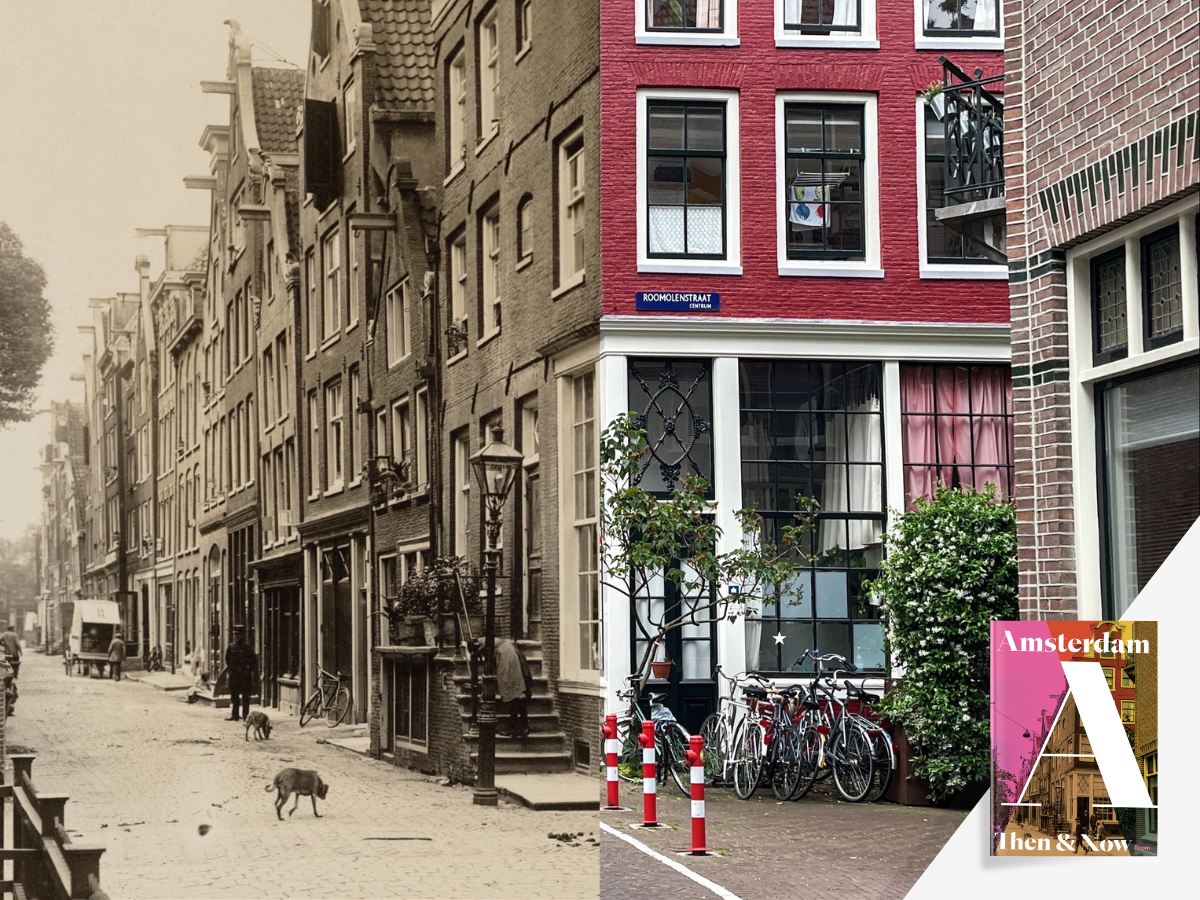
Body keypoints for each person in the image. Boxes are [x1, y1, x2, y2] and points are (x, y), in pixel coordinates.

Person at [495, 638, 533, 738]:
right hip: (523, 677)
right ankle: (523, 727)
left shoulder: (504, 650)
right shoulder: (512, 649)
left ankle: (515, 727)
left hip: (518, 677)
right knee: (519, 698)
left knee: (515, 699)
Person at [224, 625, 257, 722]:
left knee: (246, 697)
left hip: (245, 676)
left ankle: (246, 716)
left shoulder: (247, 648)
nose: (236, 636)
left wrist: (248, 671)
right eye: (235, 634)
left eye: (238, 634)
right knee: (234, 697)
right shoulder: (231, 647)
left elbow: (253, 662)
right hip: (234, 676)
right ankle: (235, 715)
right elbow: (227, 660)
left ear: (242, 635)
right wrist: (233, 669)